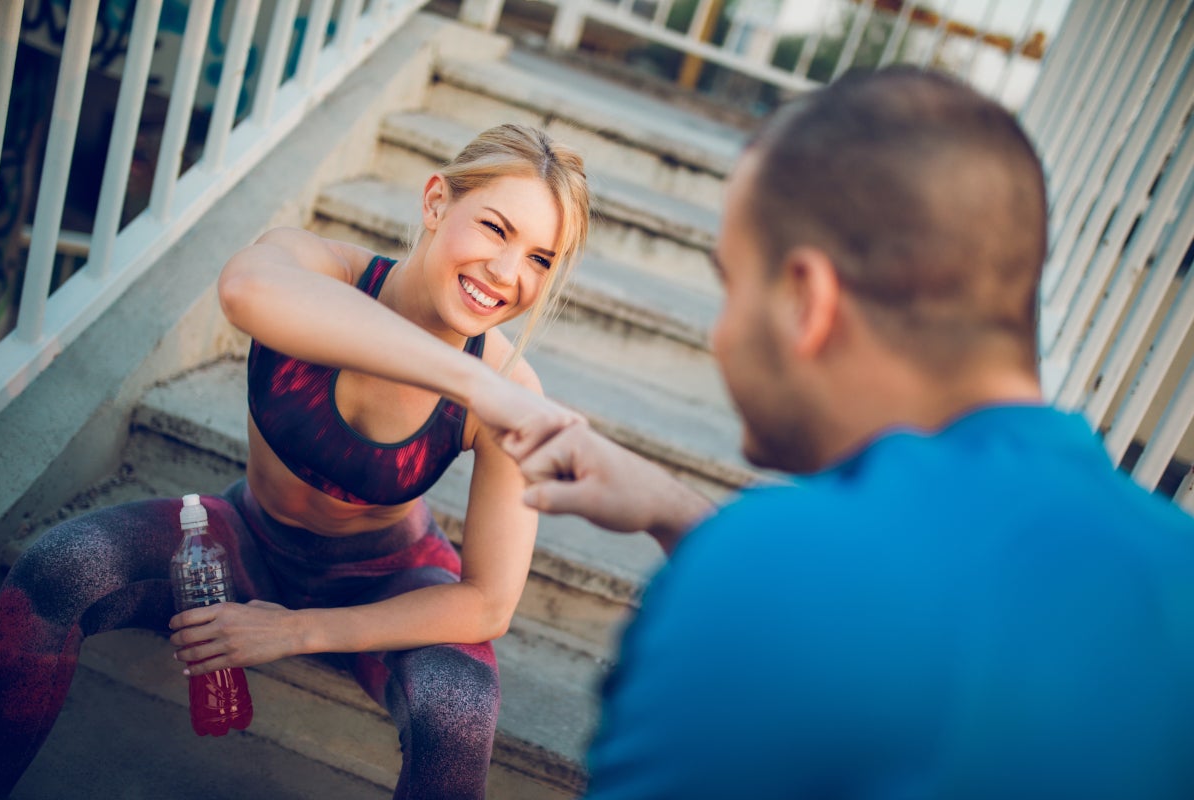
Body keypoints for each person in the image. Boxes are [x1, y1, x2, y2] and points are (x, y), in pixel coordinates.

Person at [502, 68, 1194, 798]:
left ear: (807, 298)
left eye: (732, 285)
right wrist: (683, 515)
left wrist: (725, 558)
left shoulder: (761, 577)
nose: (721, 333)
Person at [0, 123, 589, 800]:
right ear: (434, 203)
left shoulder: (511, 388)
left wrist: (296, 630)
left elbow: (486, 604)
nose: (510, 273)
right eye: (494, 229)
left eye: (542, 259)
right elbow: (244, 291)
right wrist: (472, 381)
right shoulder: (315, 267)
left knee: (459, 711)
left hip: (387, 580)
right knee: (54, 570)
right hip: (247, 540)